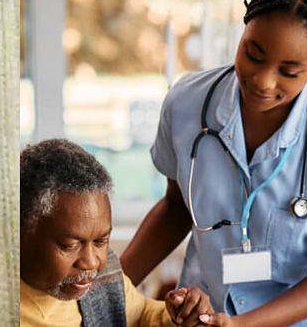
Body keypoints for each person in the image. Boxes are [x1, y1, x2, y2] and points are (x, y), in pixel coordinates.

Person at [119, 0, 307, 326]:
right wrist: (110, 286)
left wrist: (240, 325)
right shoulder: (187, 103)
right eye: (253, 54)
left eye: (289, 72)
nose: (262, 81)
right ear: (244, 29)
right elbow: (177, 208)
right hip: (204, 314)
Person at [19, 139, 224, 327]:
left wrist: (179, 314)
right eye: (70, 246)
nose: (91, 262)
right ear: (21, 231)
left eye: (101, 241)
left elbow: (141, 313)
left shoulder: (103, 277)